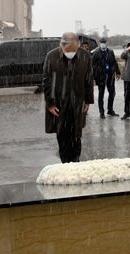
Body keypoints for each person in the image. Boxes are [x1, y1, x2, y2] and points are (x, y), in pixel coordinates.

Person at [43, 32, 94, 163]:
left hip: (78, 101)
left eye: (74, 50)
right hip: (59, 102)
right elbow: (46, 81)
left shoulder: (84, 55)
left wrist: (88, 100)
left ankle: (75, 161)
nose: (72, 52)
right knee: (62, 133)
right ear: (63, 46)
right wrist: (50, 104)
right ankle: (65, 162)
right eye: (69, 50)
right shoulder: (52, 56)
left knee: (76, 133)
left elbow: (89, 79)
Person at [91, 37, 120, 118]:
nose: (103, 43)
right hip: (101, 75)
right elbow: (92, 66)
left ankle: (110, 109)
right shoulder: (96, 52)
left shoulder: (110, 51)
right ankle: (101, 111)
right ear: (99, 43)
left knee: (112, 93)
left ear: (107, 43)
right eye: (101, 42)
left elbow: (114, 62)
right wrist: (93, 78)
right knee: (101, 94)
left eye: (104, 42)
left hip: (110, 74)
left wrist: (117, 72)